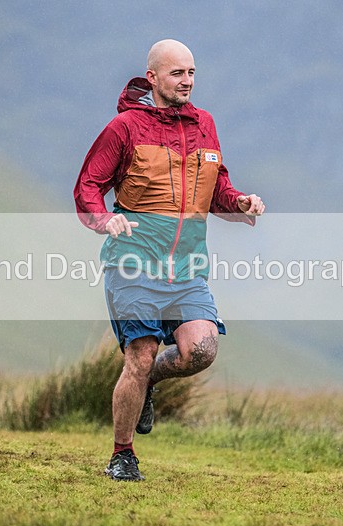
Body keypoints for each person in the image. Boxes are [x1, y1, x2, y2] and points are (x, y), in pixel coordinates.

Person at [74, 39, 265, 481]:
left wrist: (241, 204)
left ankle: (150, 384)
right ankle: (123, 456)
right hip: (134, 264)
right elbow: (88, 185)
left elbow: (217, 190)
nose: (188, 82)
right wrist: (105, 221)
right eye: (178, 73)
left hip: (186, 268)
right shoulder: (124, 127)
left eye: (192, 73)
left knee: (201, 350)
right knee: (139, 356)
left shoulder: (205, 125)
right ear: (154, 77)